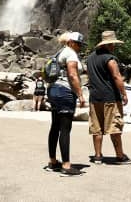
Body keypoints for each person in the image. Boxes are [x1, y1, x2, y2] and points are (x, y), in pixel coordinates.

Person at [86, 30, 131, 165]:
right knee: (115, 126)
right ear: (108, 44)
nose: (114, 46)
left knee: (96, 128)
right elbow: (116, 76)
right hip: (110, 97)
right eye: (113, 44)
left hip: (95, 98)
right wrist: (124, 93)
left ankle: (97, 156)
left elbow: (89, 78)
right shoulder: (110, 59)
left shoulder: (89, 59)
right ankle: (120, 155)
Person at [46, 31, 87, 175]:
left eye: (81, 44)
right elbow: (72, 74)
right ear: (70, 42)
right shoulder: (70, 54)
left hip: (53, 90)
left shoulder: (59, 53)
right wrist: (80, 94)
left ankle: (53, 162)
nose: (80, 46)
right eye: (78, 44)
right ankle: (66, 165)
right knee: (65, 129)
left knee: (55, 127)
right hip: (64, 92)